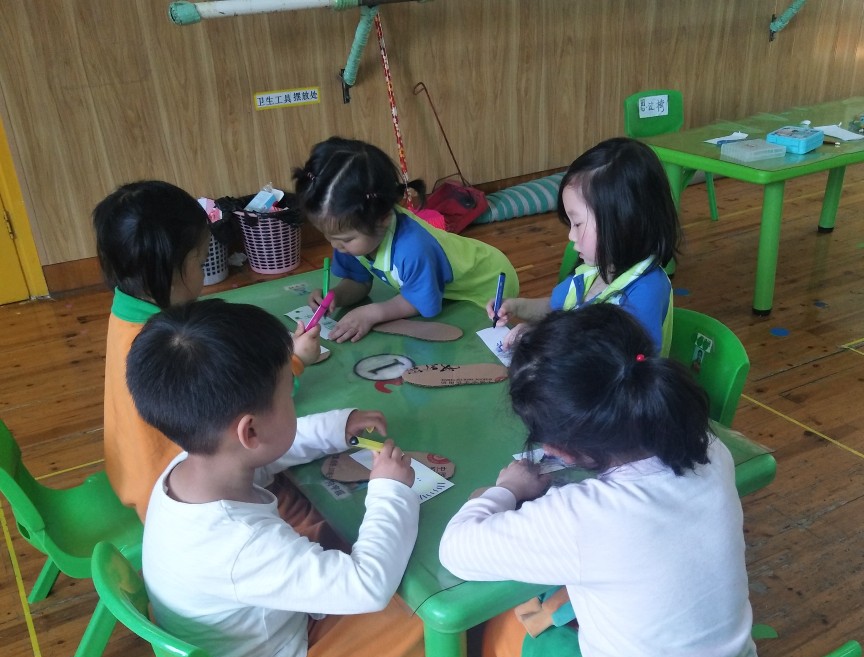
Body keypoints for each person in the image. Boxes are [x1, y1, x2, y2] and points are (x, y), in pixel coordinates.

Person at [439, 305, 759, 657]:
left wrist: (506, 489)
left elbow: (456, 550)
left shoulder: (584, 516)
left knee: (501, 633)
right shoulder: (708, 447)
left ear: (562, 452)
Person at [126, 298, 429, 657]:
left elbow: (264, 456)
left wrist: (335, 427)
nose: (292, 400)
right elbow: (367, 585)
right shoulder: (240, 544)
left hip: (239, 644)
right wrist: (390, 490)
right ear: (249, 431)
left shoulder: (189, 469)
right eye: (288, 393)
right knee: (422, 615)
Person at [94, 179, 321, 521]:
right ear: (170, 272)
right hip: (175, 503)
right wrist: (295, 362)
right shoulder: (168, 344)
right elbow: (244, 410)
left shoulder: (127, 313)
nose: (203, 274)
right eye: (200, 263)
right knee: (308, 503)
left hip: (135, 478)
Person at [293, 136, 519, 343]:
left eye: (345, 239)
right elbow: (359, 282)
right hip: (446, 287)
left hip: (487, 283)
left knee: (485, 343)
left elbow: (423, 303)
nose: (335, 245)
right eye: (328, 236)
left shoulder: (413, 249)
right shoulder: (352, 233)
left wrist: (373, 313)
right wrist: (336, 296)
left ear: (383, 219)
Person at [488, 138, 680, 355]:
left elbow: (617, 365)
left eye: (577, 224)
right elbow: (555, 309)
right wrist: (517, 307)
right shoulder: (591, 271)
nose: (571, 235)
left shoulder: (646, 292)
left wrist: (543, 339)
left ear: (622, 222)